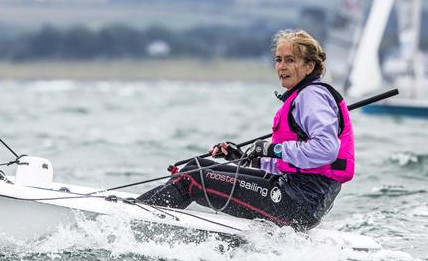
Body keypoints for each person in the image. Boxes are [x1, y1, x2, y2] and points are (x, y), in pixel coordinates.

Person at [137, 29, 354, 230]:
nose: (282, 66)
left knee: (193, 179)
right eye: (278, 60)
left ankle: (137, 221)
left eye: (290, 60)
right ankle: (141, 211)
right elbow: (291, 162)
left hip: (299, 203)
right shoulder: (304, 96)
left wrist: (274, 149)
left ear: (309, 66)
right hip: (294, 193)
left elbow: (326, 149)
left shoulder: (311, 96)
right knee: (195, 167)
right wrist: (243, 158)